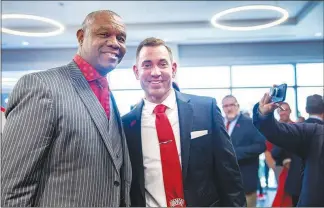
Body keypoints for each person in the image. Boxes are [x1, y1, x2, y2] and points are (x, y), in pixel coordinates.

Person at [1, 10, 131, 207]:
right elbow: (12, 187)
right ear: (81, 37)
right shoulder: (41, 86)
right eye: (104, 34)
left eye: (121, 38)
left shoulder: (107, 94)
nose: (114, 43)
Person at [122, 37, 246, 207]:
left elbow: (229, 174)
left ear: (173, 69)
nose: (155, 72)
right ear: (136, 71)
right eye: (147, 65)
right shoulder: (126, 125)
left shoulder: (206, 109)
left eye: (162, 64)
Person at [252, 90, 324, 206]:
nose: (283, 113)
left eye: (285, 110)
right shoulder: (313, 132)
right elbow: (276, 133)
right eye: (281, 110)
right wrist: (264, 114)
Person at [222, 95, 266, 207]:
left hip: (245, 180)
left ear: (238, 106)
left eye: (232, 105)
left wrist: (235, 153)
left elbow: (261, 146)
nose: (229, 108)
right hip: (224, 184)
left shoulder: (250, 123)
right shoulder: (218, 124)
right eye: (225, 106)